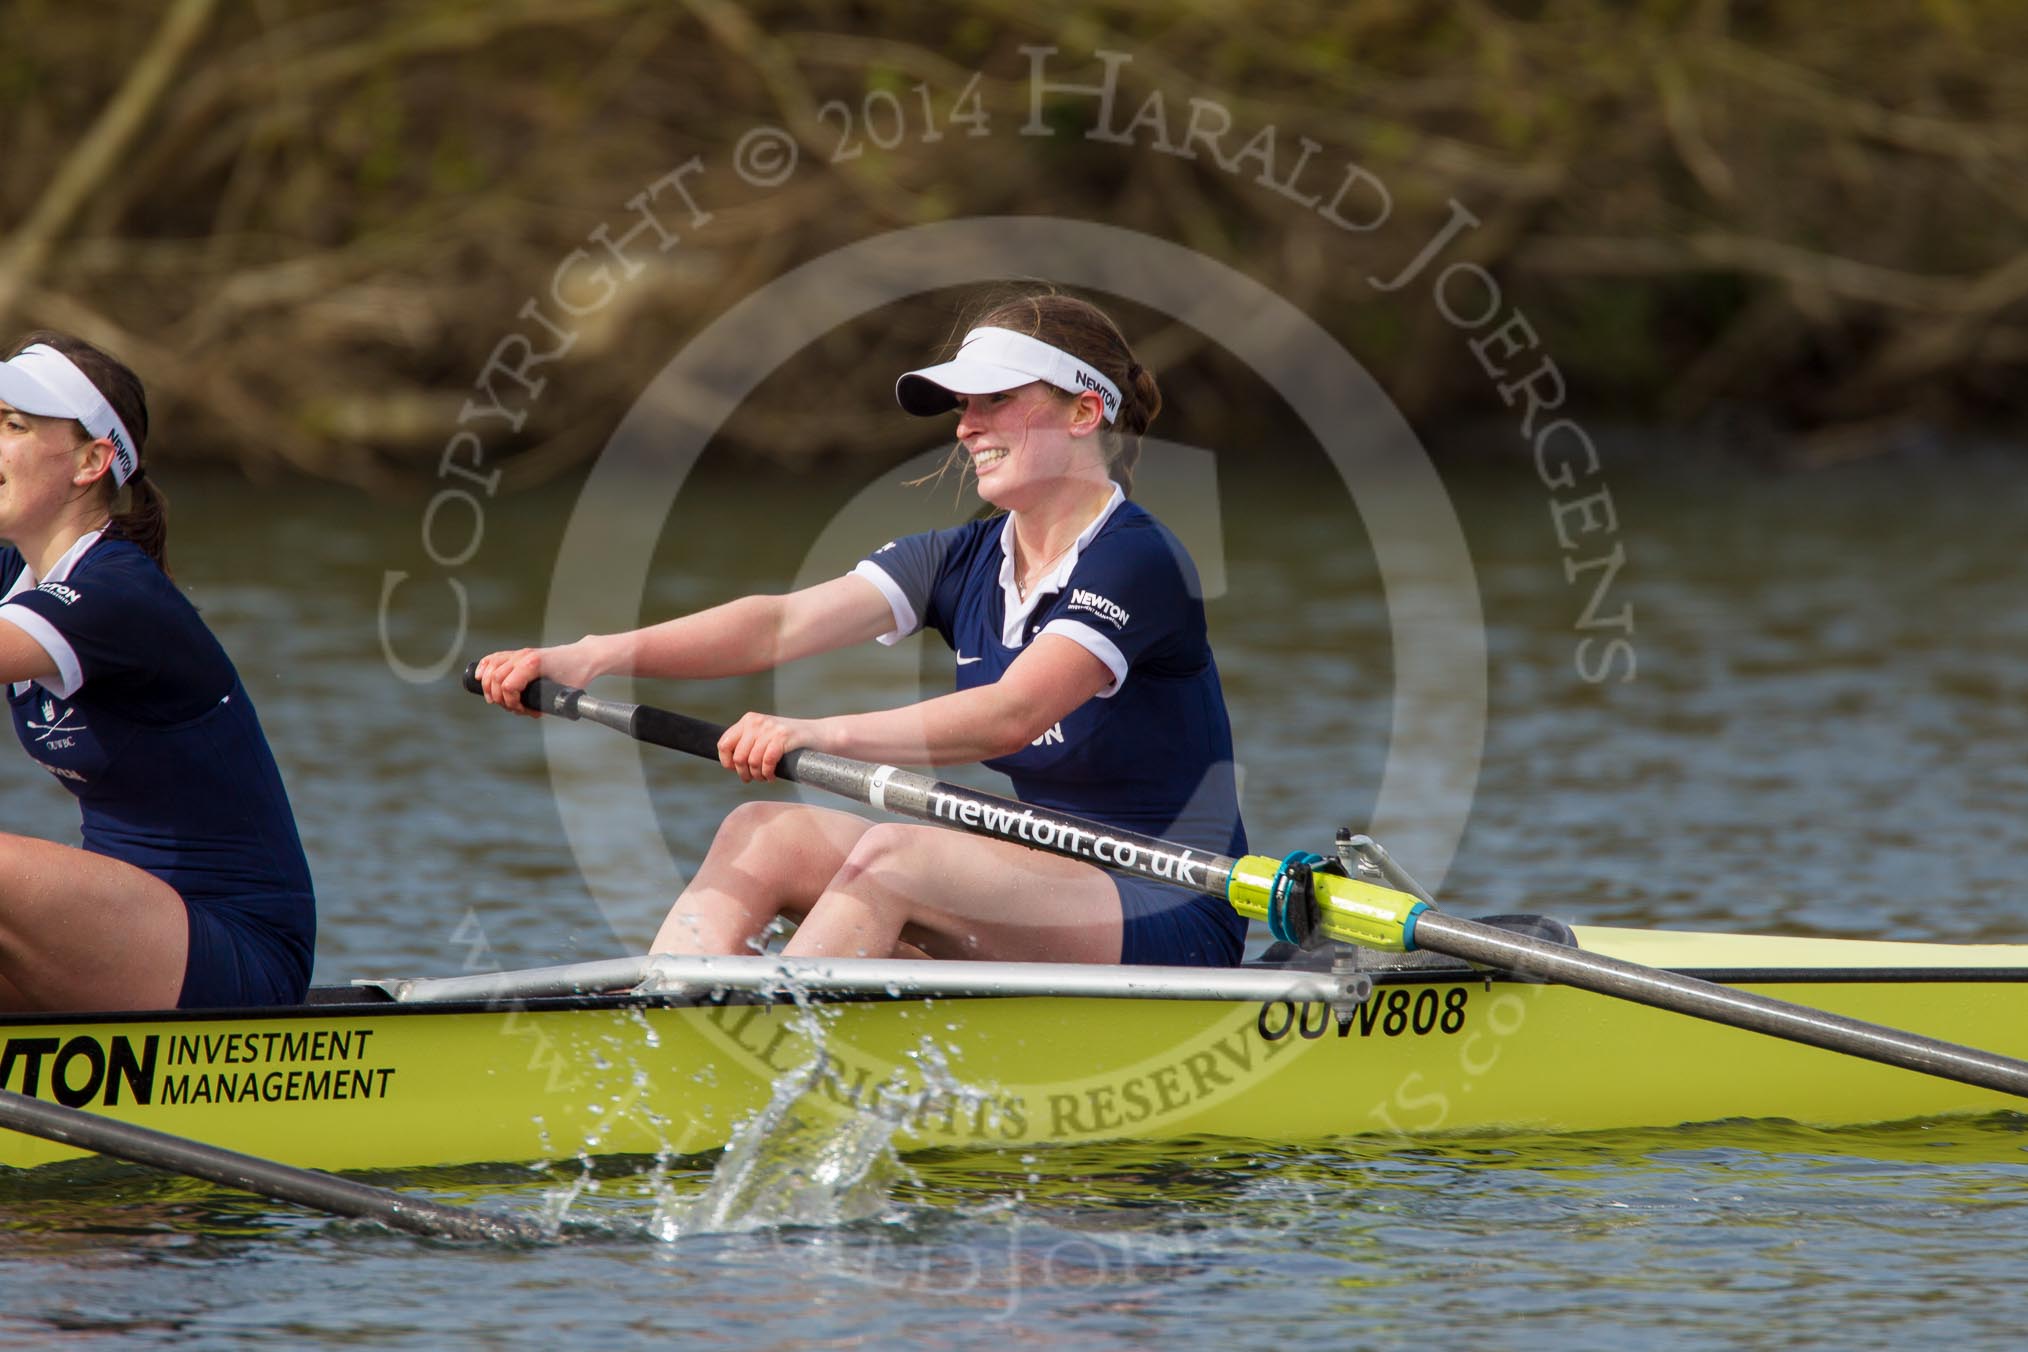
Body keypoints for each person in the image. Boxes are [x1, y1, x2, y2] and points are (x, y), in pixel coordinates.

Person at [476, 289, 1247, 966]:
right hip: (1034, 878)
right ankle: (670, 1033)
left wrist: (818, 733)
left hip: (1170, 901)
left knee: (896, 856)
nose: (965, 428)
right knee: (761, 832)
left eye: (995, 401)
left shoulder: (1138, 561)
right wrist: (593, 654)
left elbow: (1012, 716)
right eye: (963, 408)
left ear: (1086, 411)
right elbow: (777, 626)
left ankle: (766, 1061)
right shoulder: (959, 559)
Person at [0, 332, 315, 1011]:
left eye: (14, 426)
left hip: (235, 957)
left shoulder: (117, 593)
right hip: (120, 936)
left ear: (92, 461)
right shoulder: (17, 575)